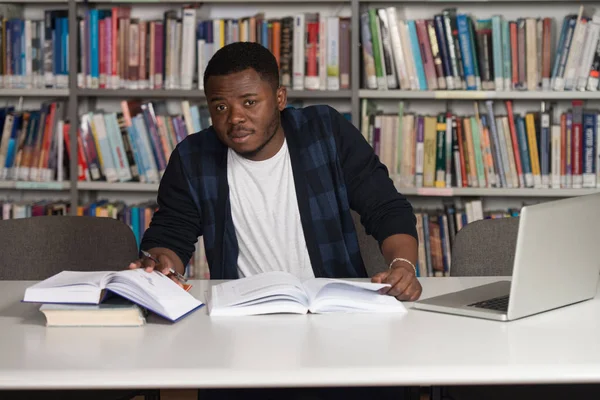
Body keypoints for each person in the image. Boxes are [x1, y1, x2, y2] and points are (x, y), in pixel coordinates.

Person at [128, 41, 419, 399]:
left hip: (336, 321)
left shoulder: (325, 131)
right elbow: (171, 234)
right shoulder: (193, 156)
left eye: (249, 102)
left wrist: (403, 264)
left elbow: (386, 207)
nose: (234, 118)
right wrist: (162, 266)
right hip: (240, 331)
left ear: (279, 98)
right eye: (220, 107)